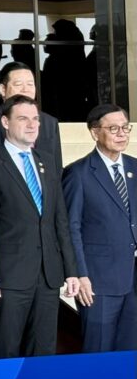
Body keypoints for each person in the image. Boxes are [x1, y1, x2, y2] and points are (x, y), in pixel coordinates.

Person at [0, 95, 79, 358]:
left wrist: (71, 271)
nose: (32, 124)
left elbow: (60, 221)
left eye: (35, 119)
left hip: (48, 276)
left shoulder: (47, 161)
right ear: (5, 122)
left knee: (43, 352)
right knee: (7, 352)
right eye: (23, 118)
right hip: (9, 277)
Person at [63, 104, 137, 352]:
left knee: (130, 353)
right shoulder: (78, 173)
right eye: (113, 128)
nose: (121, 134)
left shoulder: (135, 168)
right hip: (98, 282)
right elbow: (71, 228)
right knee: (99, 352)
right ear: (95, 132)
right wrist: (80, 274)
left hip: (133, 278)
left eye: (125, 127)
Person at [0, 62, 63, 179]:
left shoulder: (50, 122)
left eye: (30, 84)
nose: (26, 90)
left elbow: (56, 169)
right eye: (18, 84)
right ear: (3, 89)